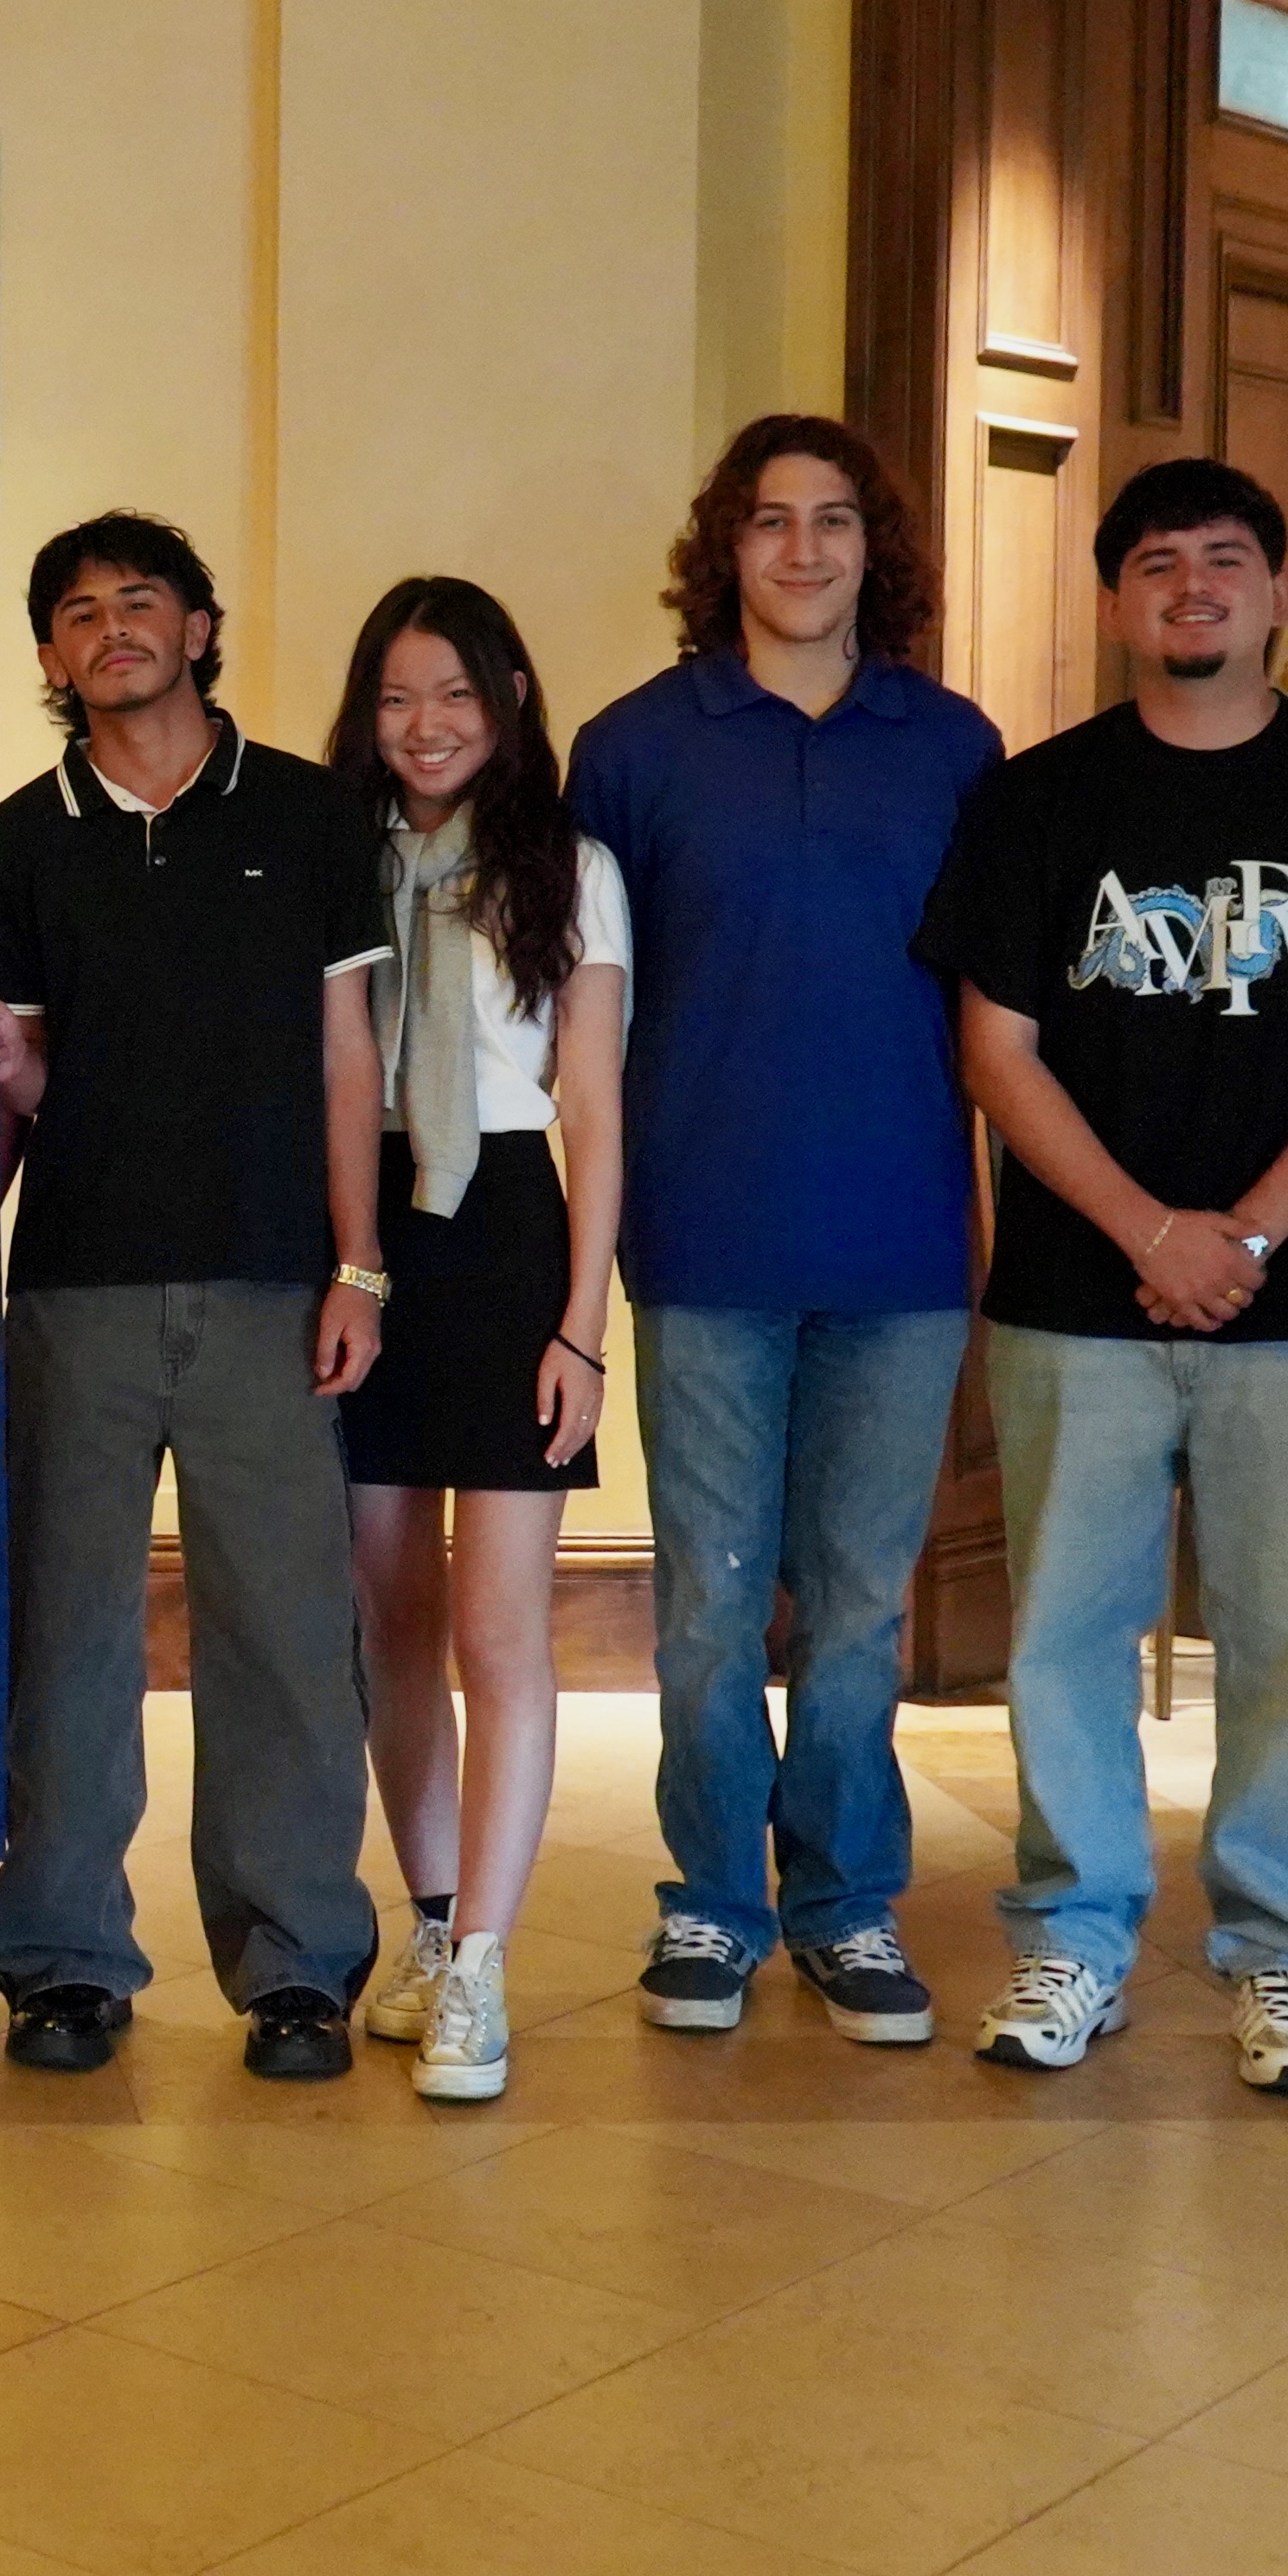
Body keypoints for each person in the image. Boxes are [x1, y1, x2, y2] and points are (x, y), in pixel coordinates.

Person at [915, 454, 1288, 2097]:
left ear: (1278, 590)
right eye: (1160, 563)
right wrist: (1146, 1232)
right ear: (1116, 602)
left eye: (1225, 558)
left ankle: (1287, 1959)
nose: (1194, 586)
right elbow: (996, 1050)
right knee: (1064, 1636)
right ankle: (1074, 1941)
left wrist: (1241, 1234)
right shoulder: (1039, 797)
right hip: (1075, 1298)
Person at [566, 418, 1001, 2049]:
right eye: (770, 522)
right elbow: (581, 1015)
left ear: (875, 549)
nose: (803, 551)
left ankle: (844, 1905)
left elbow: (997, 1008)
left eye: (833, 521)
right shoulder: (632, 749)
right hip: (704, 1235)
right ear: (724, 550)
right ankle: (713, 1901)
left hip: (903, 1239)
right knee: (708, 1603)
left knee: (860, 1603)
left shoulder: (952, 746)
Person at [0, 512, 393, 2081]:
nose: (112, 631)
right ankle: (63, 1960)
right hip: (74, 1288)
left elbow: (349, 1054)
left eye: (139, 602)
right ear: (51, 656)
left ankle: (297, 1968)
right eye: (78, 614)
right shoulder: (17, 843)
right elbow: (14, 1084)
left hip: (273, 1279)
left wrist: (360, 1266)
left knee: (283, 1639)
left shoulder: (311, 813)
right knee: (66, 1642)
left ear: (200, 628)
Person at [326, 578, 631, 2109]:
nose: (424, 725)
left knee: (498, 1632)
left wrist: (582, 1327)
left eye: (453, 693)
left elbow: (594, 1113)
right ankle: (431, 1919)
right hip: (364, 1231)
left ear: (509, 700)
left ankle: (487, 1964)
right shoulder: (335, 857)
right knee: (389, 1615)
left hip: (508, 1232)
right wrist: (349, 1263)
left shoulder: (571, 869)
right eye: (396, 697)